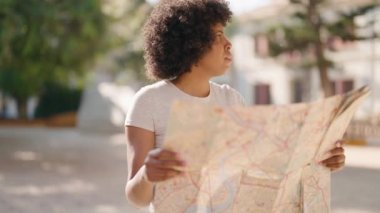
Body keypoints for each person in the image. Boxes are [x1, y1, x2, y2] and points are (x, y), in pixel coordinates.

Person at [124, 0, 346, 209]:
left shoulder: (232, 100)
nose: (228, 43)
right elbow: (136, 198)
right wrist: (147, 174)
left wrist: (318, 160)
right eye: (219, 35)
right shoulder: (148, 101)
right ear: (191, 43)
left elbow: (260, 170)